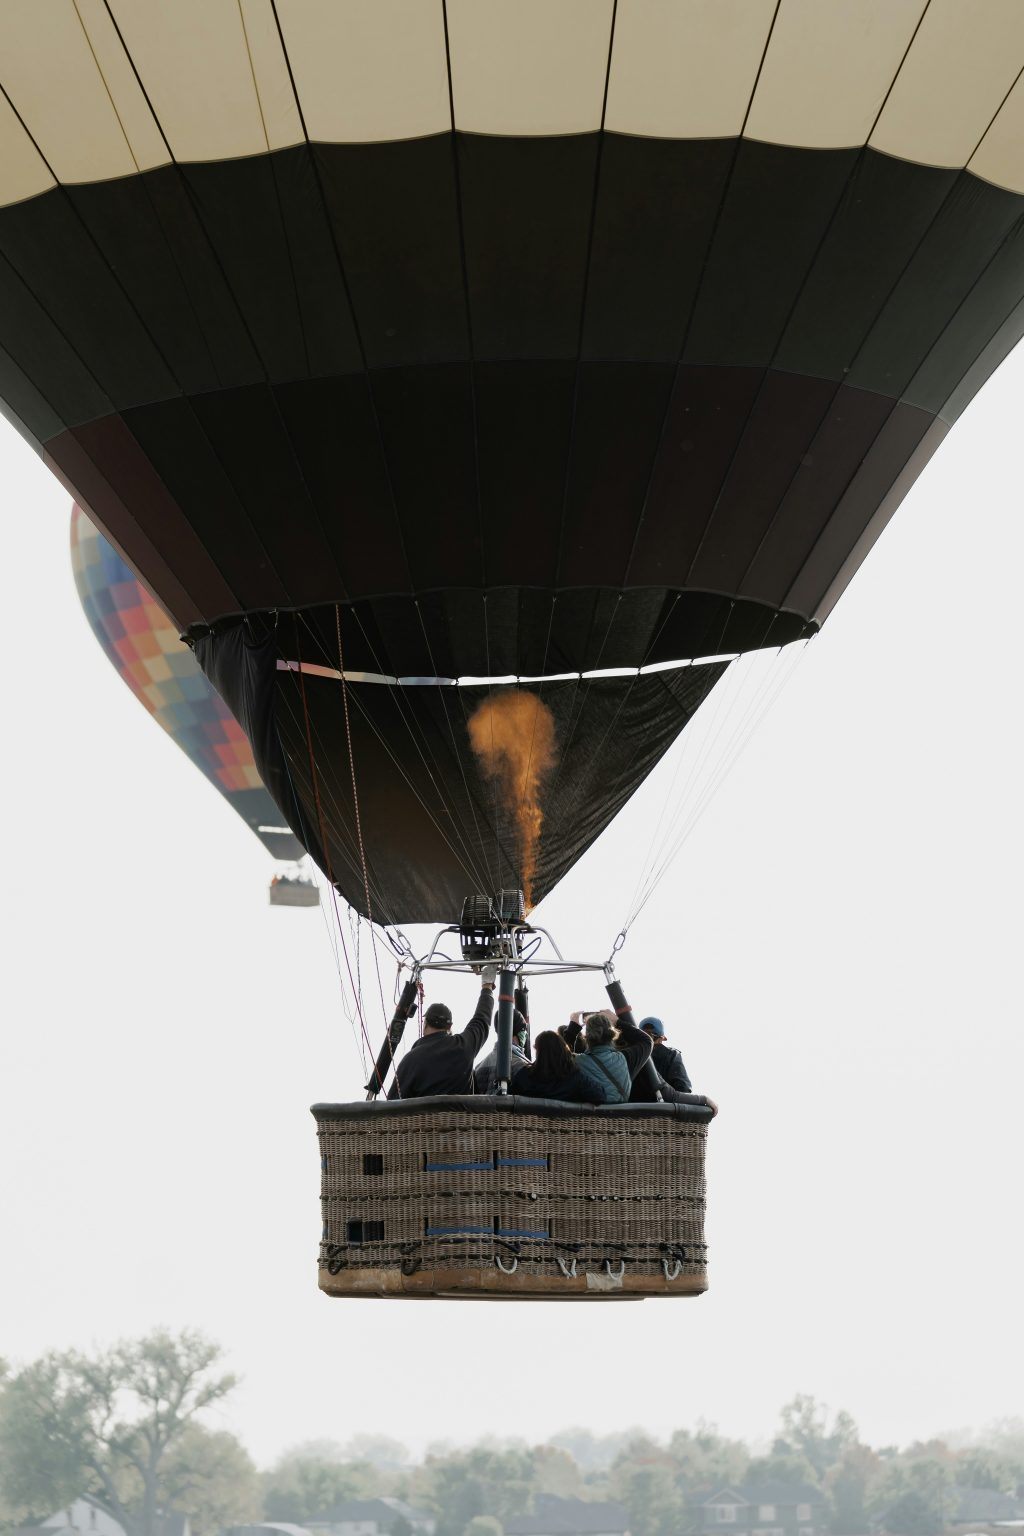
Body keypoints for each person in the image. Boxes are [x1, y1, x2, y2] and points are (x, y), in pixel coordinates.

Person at [388, 967, 496, 1099]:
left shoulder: (410, 1060)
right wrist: (487, 987)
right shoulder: (464, 1046)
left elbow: (392, 1103)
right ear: (450, 1027)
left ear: (425, 1024)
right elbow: (482, 1019)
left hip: (424, 1114)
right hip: (461, 1113)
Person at [568, 1010, 653, 1104]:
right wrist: (618, 1022)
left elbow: (560, 1057)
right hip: (620, 1113)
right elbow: (647, 1041)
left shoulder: (576, 1061)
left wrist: (572, 1029)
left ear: (586, 1036)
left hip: (585, 1113)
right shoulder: (624, 1059)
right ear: (612, 1034)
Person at [510, 1029, 607, 1104]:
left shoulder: (524, 1076)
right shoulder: (574, 1077)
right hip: (566, 1124)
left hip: (528, 1124)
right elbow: (600, 1096)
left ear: (538, 1051)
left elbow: (509, 1098)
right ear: (562, 1049)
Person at [474, 1015, 530, 1093]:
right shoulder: (521, 1065)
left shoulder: (478, 1067)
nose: (525, 1033)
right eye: (523, 1029)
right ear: (516, 1030)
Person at [638, 1016, 692, 1093]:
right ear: (663, 1038)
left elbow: (683, 1087)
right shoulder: (671, 1055)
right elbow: (684, 1089)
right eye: (645, 1036)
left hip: (660, 1098)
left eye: (651, 1036)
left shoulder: (671, 1055)